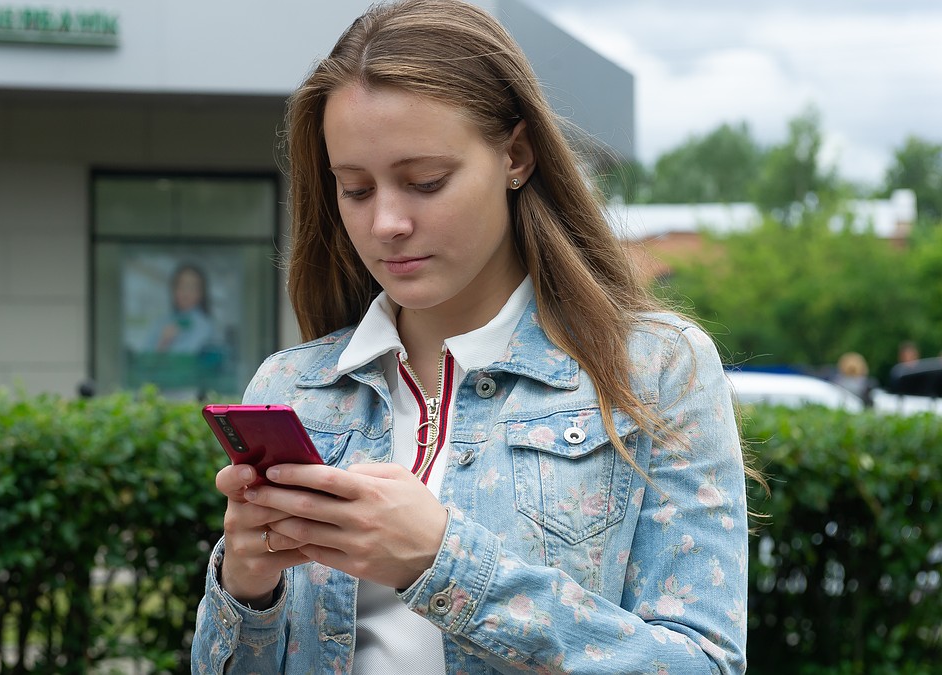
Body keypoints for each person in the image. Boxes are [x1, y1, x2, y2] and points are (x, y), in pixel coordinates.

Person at [192, 1, 752, 672]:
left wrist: (442, 561)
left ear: (516, 154)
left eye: (425, 181)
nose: (387, 222)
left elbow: (704, 663)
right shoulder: (293, 387)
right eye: (356, 189)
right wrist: (247, 590)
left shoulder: (656, 369)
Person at [146, 262, 216, 354]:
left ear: (201, 293)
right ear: (173, 290)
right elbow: (144, 358)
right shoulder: (162, 322)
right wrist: (162, 343)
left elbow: (188, 357)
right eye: (181, 286)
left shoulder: (205, 326)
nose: (185, 293)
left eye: (191, 287)